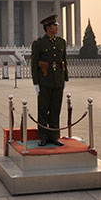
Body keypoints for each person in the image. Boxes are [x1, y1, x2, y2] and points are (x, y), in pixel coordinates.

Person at [31, 14, 68, 147]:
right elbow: (34, 64)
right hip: (44, 80)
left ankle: (54, 135)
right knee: (43, 109)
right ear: (47, 27)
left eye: (57, 25)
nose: (57, 27)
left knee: (55, 109)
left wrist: (65, 78)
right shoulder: (39, 43)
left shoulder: (61, 42)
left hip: (58, 80)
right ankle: (43, 136)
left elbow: (64, 61)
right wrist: (36, 82)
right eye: (54, 25)